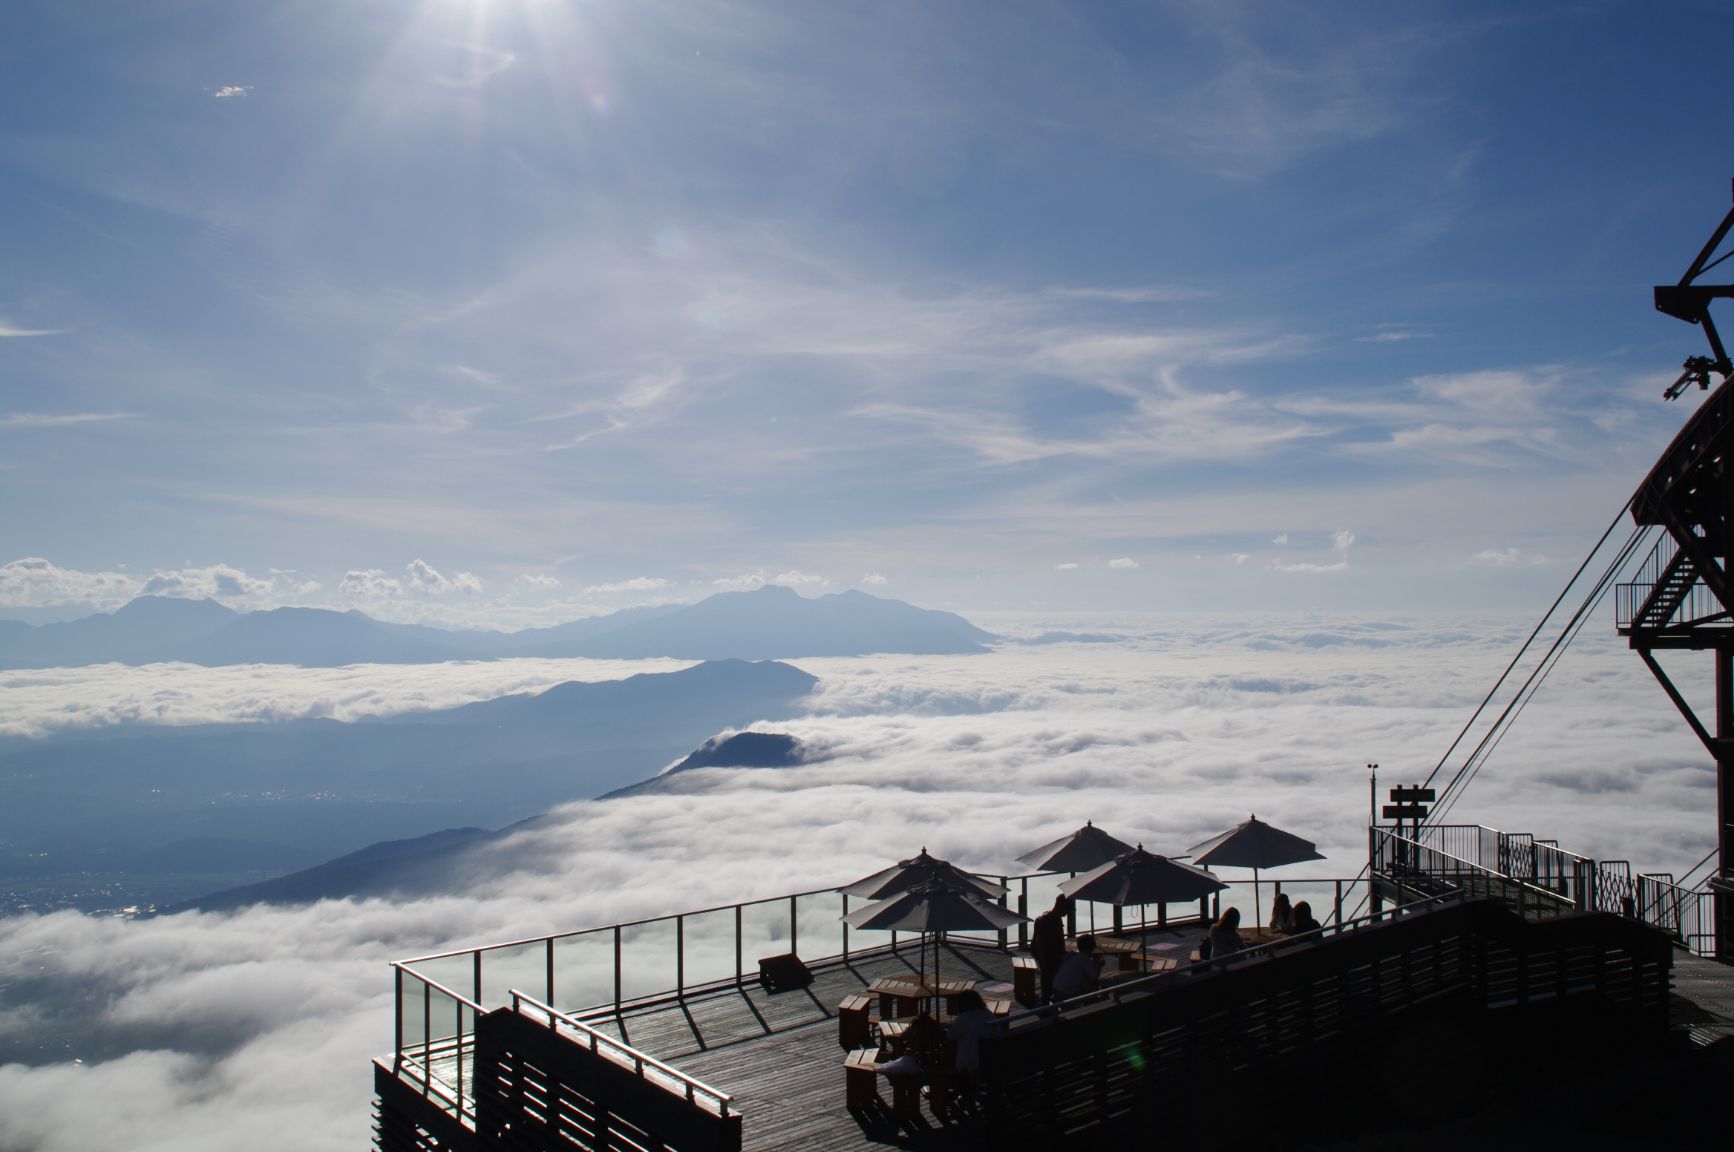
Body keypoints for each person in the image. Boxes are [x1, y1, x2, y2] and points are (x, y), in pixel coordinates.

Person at [945, 988, 994, 1101]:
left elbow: (950, 1036)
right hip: (989, 1058)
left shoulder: (964, 1018)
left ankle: (956, 1087)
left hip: (970, 1062)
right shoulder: (988, 1015)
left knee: (949, 1049)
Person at [1030, 894, 1072, 1002]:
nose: (1067, 913)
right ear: (1061, 906)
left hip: (1050, 959)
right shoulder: (1051, 920)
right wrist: (1044, 963)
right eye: (1067, 909)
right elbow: (1040, 942)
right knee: (1049, 988)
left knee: (1048, 988)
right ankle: (1048, 1012)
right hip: (1050, 960)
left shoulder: (1049, 918)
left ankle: (1047, 1009)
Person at [1051, 934, 1100, 1000]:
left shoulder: (1071, 955)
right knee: (1090, 989)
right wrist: (1097, 965)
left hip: (1055, 987)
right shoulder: (1085, 959)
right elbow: (1093, 979)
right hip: (1065, 992)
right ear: (1092, 947)